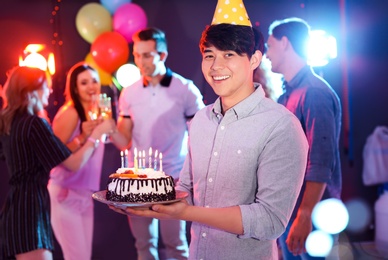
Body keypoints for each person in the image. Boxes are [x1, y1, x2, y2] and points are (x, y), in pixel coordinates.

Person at [109, 1, 309, 258]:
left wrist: (187, 213)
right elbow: (188, 188)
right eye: (209, 55)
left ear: (255, 60)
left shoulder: (281, 126)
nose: (216, 66)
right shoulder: (202, 120)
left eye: (229, 55)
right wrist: (147, 202)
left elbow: (270, 220)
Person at [0, 66, 115, 260]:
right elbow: (72, 164)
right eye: (46, 86)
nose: (50, 91)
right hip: (30, 209)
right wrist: (95, 136)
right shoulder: (34, 123)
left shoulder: (10, 122)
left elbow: (55, 153)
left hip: (17, 207)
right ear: (31, 91)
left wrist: (82, 137)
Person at [109, 27, 205, 260]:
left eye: (146, 55)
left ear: (162, 56)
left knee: (176, 245)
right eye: (136, 54)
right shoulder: (129, 93)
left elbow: (202, 137)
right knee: (144, 245)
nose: (140, 61)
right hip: (137, 180)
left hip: (172, 179)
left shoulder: (185, 89)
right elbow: (124, 141)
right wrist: (107, 126)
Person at [266, 17, 342, 259]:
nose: (266, 54)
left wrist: (305, 214)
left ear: (285, 43)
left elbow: (320, 162)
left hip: (312, 211)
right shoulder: (288, 94)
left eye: (269, 46)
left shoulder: (314, 93)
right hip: (292, 208)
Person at [47, 62, 117, 260]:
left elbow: (119, 139)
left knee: (83, 256)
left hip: (85, 193)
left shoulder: (99, 113)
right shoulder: (70, 113)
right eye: (84, 83)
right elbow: (54, 155)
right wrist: (84, 137)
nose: (91, 86)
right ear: (75, 88)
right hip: (65, 192)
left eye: (94, 81)